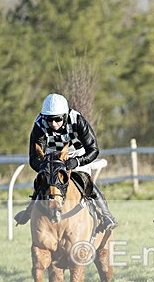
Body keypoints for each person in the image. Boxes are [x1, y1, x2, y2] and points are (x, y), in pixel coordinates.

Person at [15, 93, 117, 231]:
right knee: (43, 181)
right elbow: (33, 158)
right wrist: (46, 167)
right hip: (52, 157)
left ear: (65, 115)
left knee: (85, 180)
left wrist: (76, 162)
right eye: (49, 120)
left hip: (77, 154)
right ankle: (28, 212)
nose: (53, 124)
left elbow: (93, 150)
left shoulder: (77, 120)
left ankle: (106, 215)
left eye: (57, 119)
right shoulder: (39, 125)